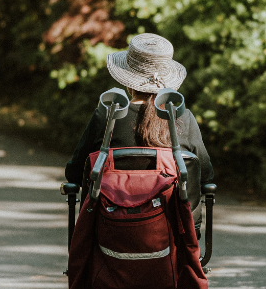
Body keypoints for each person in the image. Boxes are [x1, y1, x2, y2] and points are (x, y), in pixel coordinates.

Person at [64, 33, 212, 189]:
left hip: (111, 205)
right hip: (170, 205)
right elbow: (206, 176)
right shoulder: (183, 118)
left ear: (128, 81)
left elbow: (75, 173)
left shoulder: (106, 117)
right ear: (166, 82)